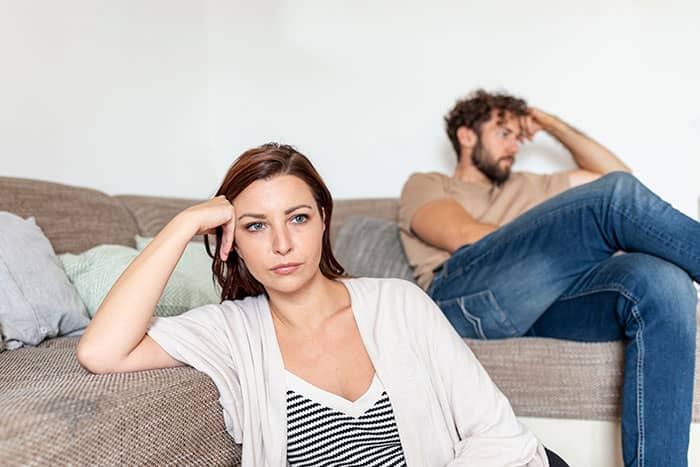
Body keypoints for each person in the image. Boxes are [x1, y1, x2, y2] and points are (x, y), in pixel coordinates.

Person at [76, 143, 566, 466]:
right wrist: (182, 225)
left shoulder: (399, 303)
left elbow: (498, 434)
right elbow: (102, 351)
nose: (282, 244)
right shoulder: (230, 332)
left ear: (323, 220)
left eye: (298, 218)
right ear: (232, 240)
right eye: (256, 226)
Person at [398, 89, 700, 467]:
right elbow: (463, 235)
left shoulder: (530, 185)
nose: (514, 147)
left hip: (538, 305)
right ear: (466, 135)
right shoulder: (426, 183)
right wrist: (558, 234)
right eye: (503, 133)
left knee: (664, 283)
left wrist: (551, 124)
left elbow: (620, 175)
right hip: (460, 300)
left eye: (518, 136)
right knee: (609, 198)